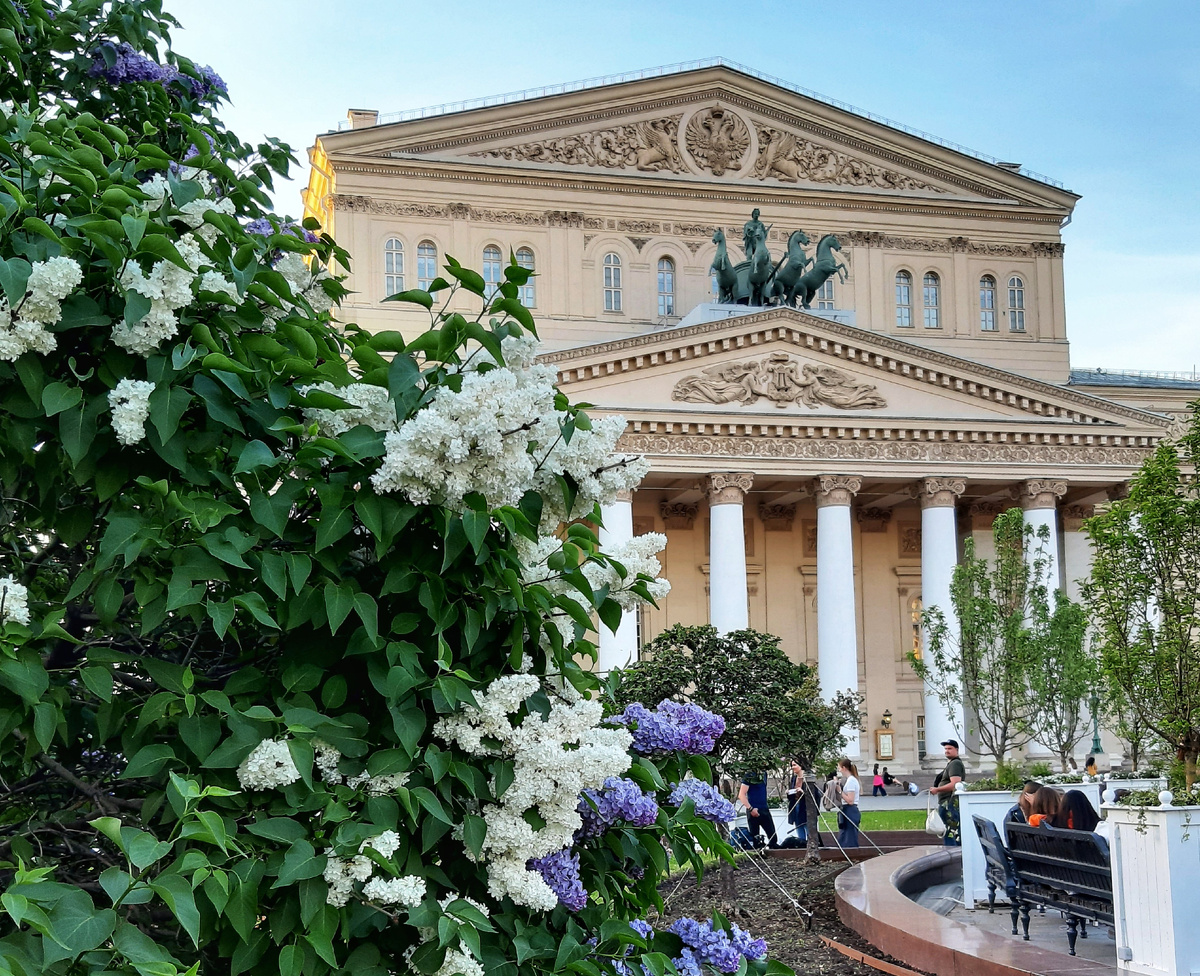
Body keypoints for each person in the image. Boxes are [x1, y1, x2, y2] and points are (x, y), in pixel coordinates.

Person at [929, 739, 966, 846]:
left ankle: (953, 854)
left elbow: (955, 784)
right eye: (945, 749)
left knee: (950, 831)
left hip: (949, 803)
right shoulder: (951, 764)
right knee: (950, 830)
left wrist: (937, 790)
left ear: (957, 750)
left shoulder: (955, 764)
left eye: (950, 748)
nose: (947, 751)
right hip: (947, 802)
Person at [738, 771, 778, 849]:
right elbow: (741, 795)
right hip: (753, 809)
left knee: (773, 837)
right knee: (755, 839)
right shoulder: (749, 775)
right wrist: (750, 808)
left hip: (764, 808)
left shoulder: (764, 774)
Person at [837, 759, 862, 848]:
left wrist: (840, 791)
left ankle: (851, 854)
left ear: (844, 768)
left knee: (849, 837)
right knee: (845, 836)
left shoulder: (851, 781)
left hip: (850, 810)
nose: (839, 770)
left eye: (839, 768)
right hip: (848, 810)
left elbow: (850, 800)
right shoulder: (850, 780)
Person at [786, 760, 809, 844]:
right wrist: (789, 792)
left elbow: (813, 794)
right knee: (798, 825)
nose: (792, 767)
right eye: (792, 765)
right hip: (795, 805)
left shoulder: (807, 778)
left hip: (805, 807)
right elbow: (791, 795)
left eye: (794, 765)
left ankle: (809, 844)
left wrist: (803, 792)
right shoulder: (794, 778)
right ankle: (801, 843)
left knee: (807, 826)